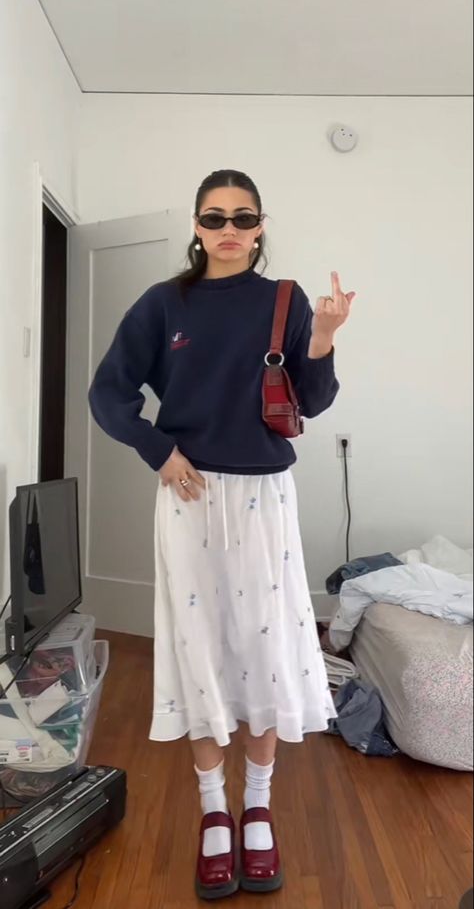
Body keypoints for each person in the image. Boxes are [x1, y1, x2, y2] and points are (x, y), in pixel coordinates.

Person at [88, 169, 356, 900]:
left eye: (243, 216)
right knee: (198, 647)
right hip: (190, 492)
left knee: (264, 647)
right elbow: (108, 393)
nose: (229, 228)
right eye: (215, 217)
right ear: (198, 227)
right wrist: (157, 449)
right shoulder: (162, 304)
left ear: (261, 225)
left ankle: (258, 803)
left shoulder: (285, 301)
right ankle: (214, 811)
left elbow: (312, 396)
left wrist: (324, 337)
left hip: (265, 494)